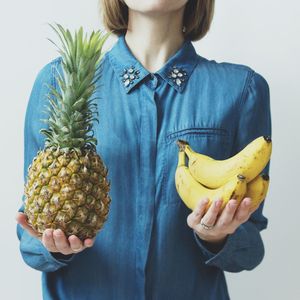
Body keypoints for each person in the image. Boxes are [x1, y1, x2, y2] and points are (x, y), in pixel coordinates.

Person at [16, 0, 272, 299]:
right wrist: (52, 246)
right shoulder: (60, 81)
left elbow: (249, 249)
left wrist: (217, 237)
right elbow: (30, 236)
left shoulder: (242, 89)